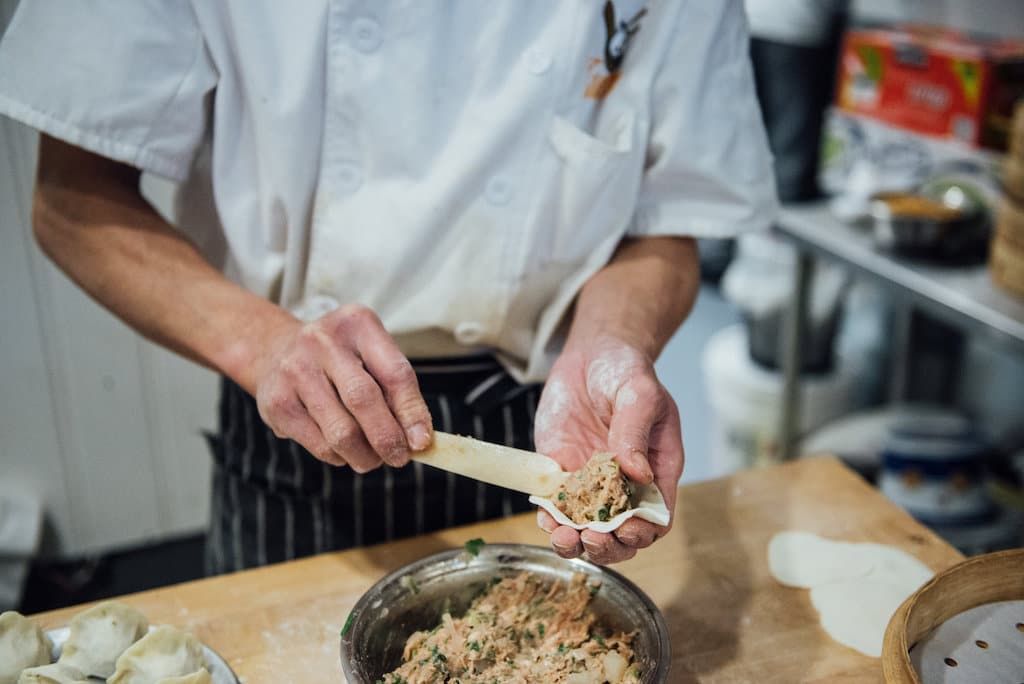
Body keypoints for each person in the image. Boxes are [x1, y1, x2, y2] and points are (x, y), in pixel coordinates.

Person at [0, 0, 776, 570]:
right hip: (295, 430)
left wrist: (612, 345)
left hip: (548, 427)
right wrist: (268, 347)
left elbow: (667, 226)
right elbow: (71, 202)